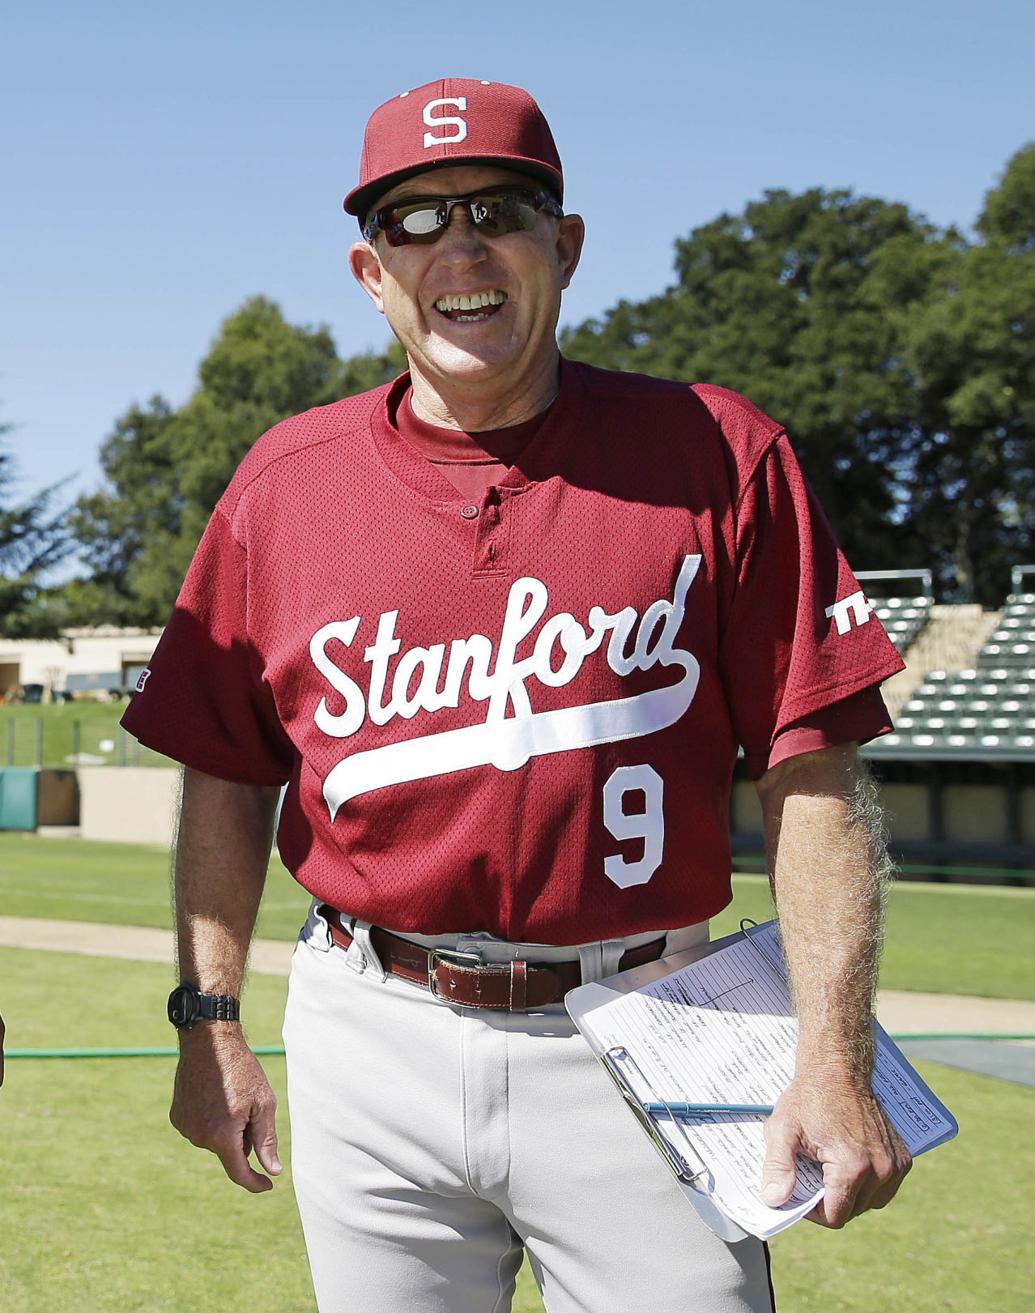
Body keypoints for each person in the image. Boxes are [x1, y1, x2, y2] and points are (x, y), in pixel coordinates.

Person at [122, 77, 912, 1313]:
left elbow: (814, 772)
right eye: (414, 222)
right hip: (367, 1021)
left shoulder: (718, 452)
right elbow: (227, 773)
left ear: (567, 244)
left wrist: (833, 1045)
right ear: (370, 272)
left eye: (498, 207)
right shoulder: (285, 484)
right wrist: (207, 1021)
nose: (460, 246)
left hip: (648, 1017)